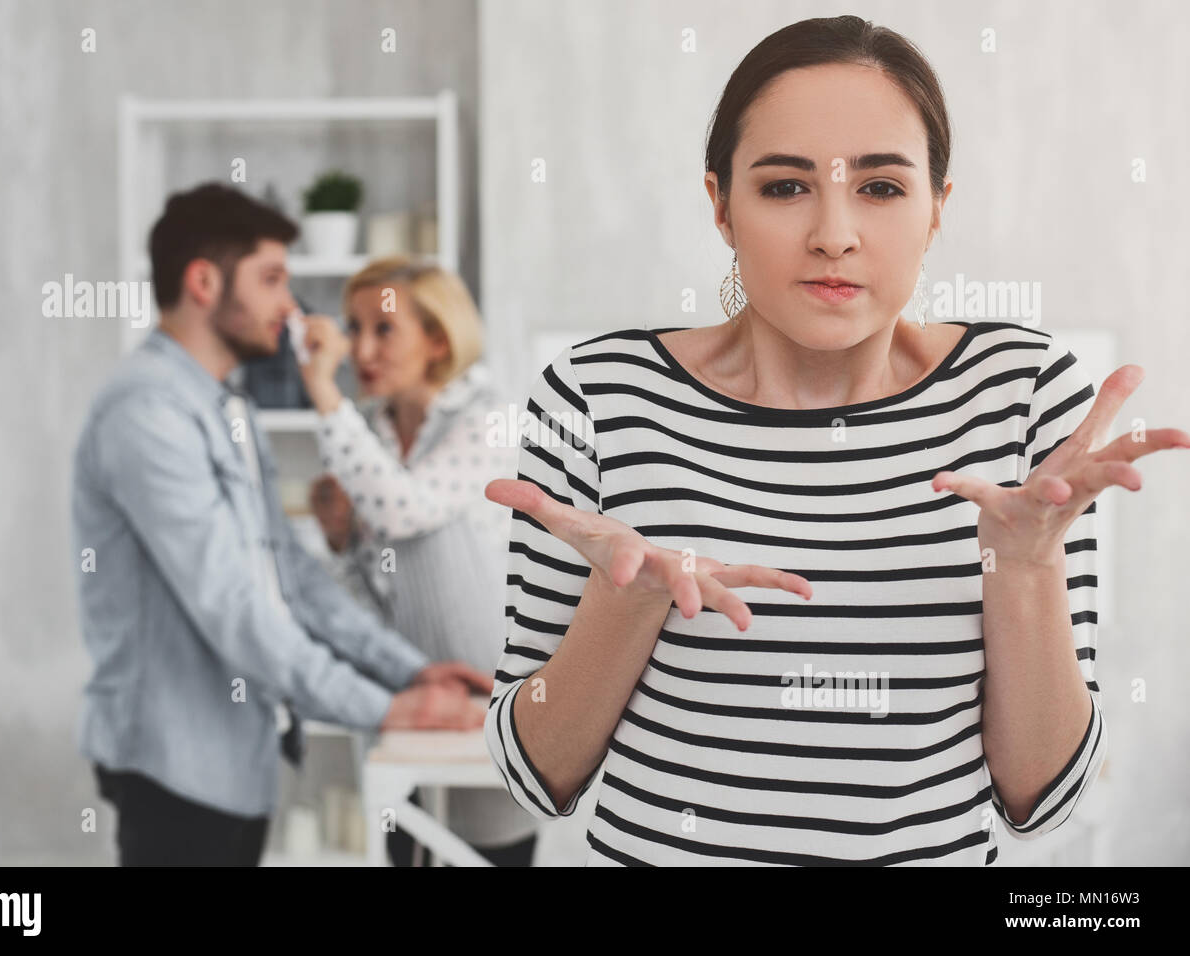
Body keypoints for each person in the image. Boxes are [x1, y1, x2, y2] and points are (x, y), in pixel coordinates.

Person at [480, 15, 1190, 866]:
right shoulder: (596, 397)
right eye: (785, 186)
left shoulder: (1021, 394)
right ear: (720, 204)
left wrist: (1026, 567)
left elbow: (1040, 800)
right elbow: (535, 778)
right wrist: (626, 605)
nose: (834, 234)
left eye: (882, 188)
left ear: (937, 209)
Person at [71, 183, 489, 867]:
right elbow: (234, 607)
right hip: (173, 765)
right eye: (270, 279)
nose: (290, 306)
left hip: (238, 760)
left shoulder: (225, 408)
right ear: (203, 282)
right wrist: (384, 709)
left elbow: (289, 576)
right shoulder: (146, 414)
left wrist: (410, 672)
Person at [296, 255, 542, 866]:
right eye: (354, 330)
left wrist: (323, 393)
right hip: (413, 704)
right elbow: (375, 604)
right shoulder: (373, 439)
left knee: (491, 846)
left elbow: (408, 509)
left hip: (487, 705)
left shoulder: (486, 418)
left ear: (437, 339)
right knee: (403, 846)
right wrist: (344, 542)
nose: (360, 349)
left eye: (383, 329)